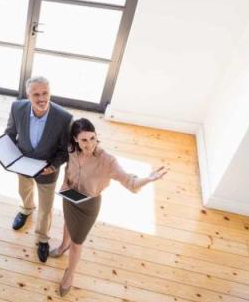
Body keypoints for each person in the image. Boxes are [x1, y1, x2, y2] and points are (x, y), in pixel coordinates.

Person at [51, 118, 168, 296]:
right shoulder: (71, 150)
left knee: (77, 242)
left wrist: (148, 179)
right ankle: (62, 246)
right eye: (84, 140)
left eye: (92, 138)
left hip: (88, 205)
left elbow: (131, 182)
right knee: (67, 222)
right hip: (69, 196)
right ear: (75, 139)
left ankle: (70, 274)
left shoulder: (107, 161)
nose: (89, 144)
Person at [4, 76, 72, 263]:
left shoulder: (64, 118)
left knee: (46, 207)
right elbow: (10, 134)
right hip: (22, 164)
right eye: (36, 94)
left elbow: (64, 150)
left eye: (45, 93)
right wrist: (9, 157)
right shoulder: (17, 108)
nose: (42, 98)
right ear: (28, 94)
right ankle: (26, 209)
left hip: (47, 170)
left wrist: (53, 166)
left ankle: (42, 238)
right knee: (24, 190)